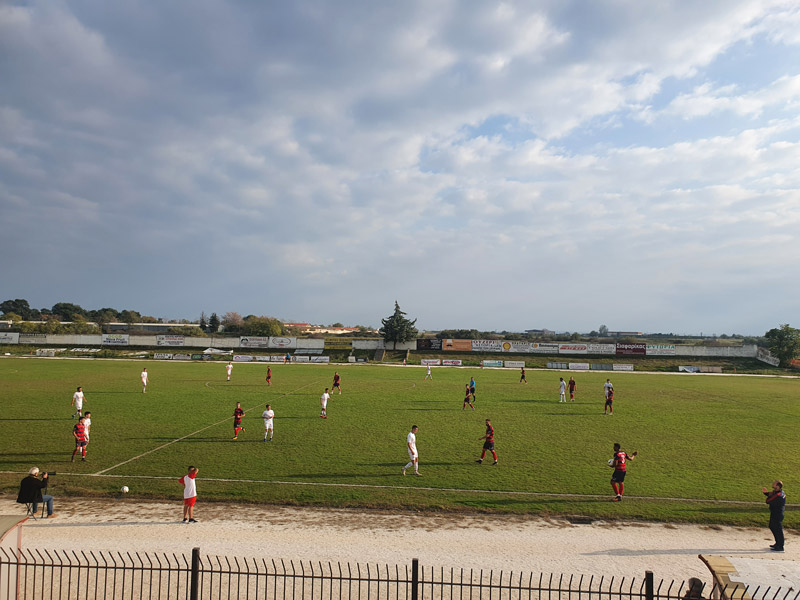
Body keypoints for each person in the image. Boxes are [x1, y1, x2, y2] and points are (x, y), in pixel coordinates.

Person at [762, 480, 786, 552]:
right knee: (772, 526)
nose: (773, 484)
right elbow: (771, 494)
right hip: (775, 513)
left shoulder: (778, 495)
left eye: (774, 483)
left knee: (778, 529)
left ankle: (780, 546)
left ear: (777, 486)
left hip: (777, 514)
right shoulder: (778, 492)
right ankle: (777, 543)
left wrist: (768, 498)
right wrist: (766, 493)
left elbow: (768, 501)